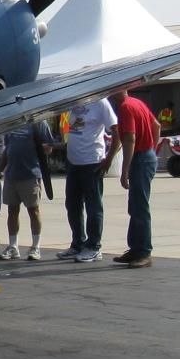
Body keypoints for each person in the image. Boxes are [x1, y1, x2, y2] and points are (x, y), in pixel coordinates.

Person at [57, 95, 116, 264]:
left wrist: (109, 158)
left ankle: (94, 246)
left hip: (92, 162)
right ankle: (78, 243)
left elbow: (116, 129)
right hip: (74, 161)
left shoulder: (101, 103)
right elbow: (71, 127)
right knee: (72, 204)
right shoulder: (74, 102)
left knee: (93, 205)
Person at [108, 88, 160, 268]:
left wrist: (125, 170)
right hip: (146, 155)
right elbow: (157, 126)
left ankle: (144, 252)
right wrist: (152, 148)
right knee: (136, 205)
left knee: (140, 207)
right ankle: (136, 249)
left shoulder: (125, 108)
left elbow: (129, 140)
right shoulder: (137, 103)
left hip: (140, 158)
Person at [0, 120, 55, 261]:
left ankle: (35, 247)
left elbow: (50, 147)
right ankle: (13, 246)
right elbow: (7, 149)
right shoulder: (10, 123)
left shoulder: (39, 123)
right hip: (11, 175)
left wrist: (38, 147)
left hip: (30, 175)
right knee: (12, 211)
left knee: (33, 210)